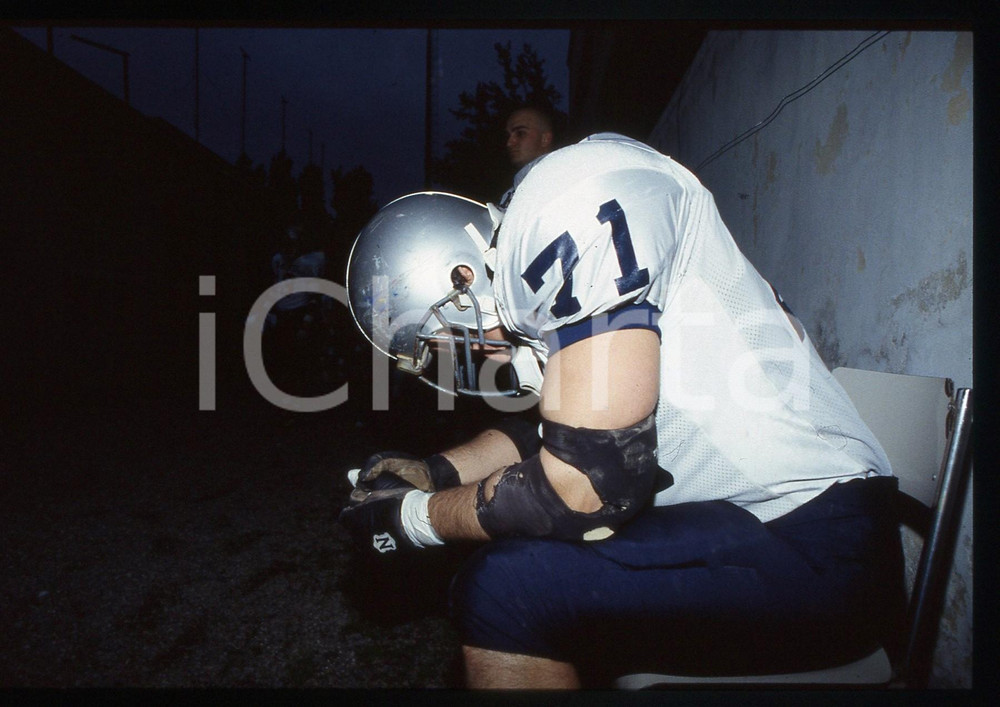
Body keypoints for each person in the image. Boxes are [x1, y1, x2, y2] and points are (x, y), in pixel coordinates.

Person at [339, 134, 905, 688]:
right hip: (759, 521)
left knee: (506, 589)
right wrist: (434, 473)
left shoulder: (559, 211)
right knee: (521, 553)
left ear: (461, 276)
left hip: (821, 546)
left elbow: (588, 477)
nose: (467, 355)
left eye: (445, 339)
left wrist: (419, 520)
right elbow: (547, 432)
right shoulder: (532, 262)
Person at [499, 104, 556, 209]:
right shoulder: (513, 191)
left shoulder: (560, 178)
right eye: (508, 136)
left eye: (520, 133)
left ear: (545, 139)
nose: (510, 142)